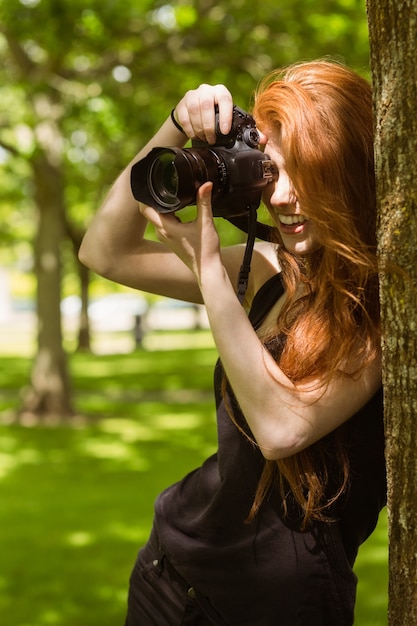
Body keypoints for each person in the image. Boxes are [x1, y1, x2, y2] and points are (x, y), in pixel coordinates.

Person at [79, 59, 386, 626]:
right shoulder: (274, 268)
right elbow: (106, 251)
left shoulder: (381, 313)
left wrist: (209, 272)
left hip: (279, 608)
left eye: (311, 176)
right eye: (273, 172)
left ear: (350, 173)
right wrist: (176, 123)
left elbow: (282, 428)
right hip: (168, 574)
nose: (286, 198)